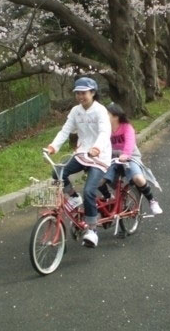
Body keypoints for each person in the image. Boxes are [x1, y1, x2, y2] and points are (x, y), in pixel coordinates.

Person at [46, 77, 111, 248]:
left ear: (93, 93)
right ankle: (74, 198)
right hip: (83, 152)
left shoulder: (100, 110)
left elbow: (105, 132)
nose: (80, 96)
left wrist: (97, 148)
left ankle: (92, 230)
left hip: (99, 155)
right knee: (58, 173)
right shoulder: (76, 111)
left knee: (89, 190)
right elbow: (65, 130)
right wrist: (53, 146)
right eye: (78, 93)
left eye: (84, 93)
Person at [98, 103, 163, 215]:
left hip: (130, 157)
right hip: (112, 158)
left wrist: (125, 155)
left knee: (138, 178)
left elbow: (130, 143)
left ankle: (152, 201)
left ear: (115, 116)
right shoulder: (105, 129)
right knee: (98, 181)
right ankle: (109, 197)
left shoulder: (126, 127)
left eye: (107, 114)